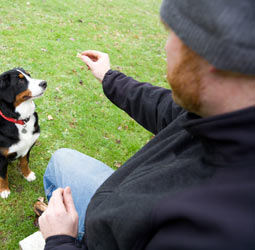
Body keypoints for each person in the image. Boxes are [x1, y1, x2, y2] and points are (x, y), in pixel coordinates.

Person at [38, 0, 255, 249]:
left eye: (172, 33)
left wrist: (59, 240)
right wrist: (110, 77)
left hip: (111, 234)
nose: (166, 46)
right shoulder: (224, 114)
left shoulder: (216, 230)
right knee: (61, 159)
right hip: (117, 209)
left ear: (211, 53)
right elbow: (164, 107)